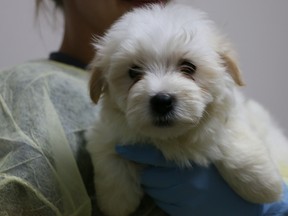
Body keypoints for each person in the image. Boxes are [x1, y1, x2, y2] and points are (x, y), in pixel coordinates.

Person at [0, 0, 287, 215]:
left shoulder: (224, 91)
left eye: (187, 69)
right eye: (135, 73)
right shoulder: (26, 92)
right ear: (100, 85)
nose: (160, 92)